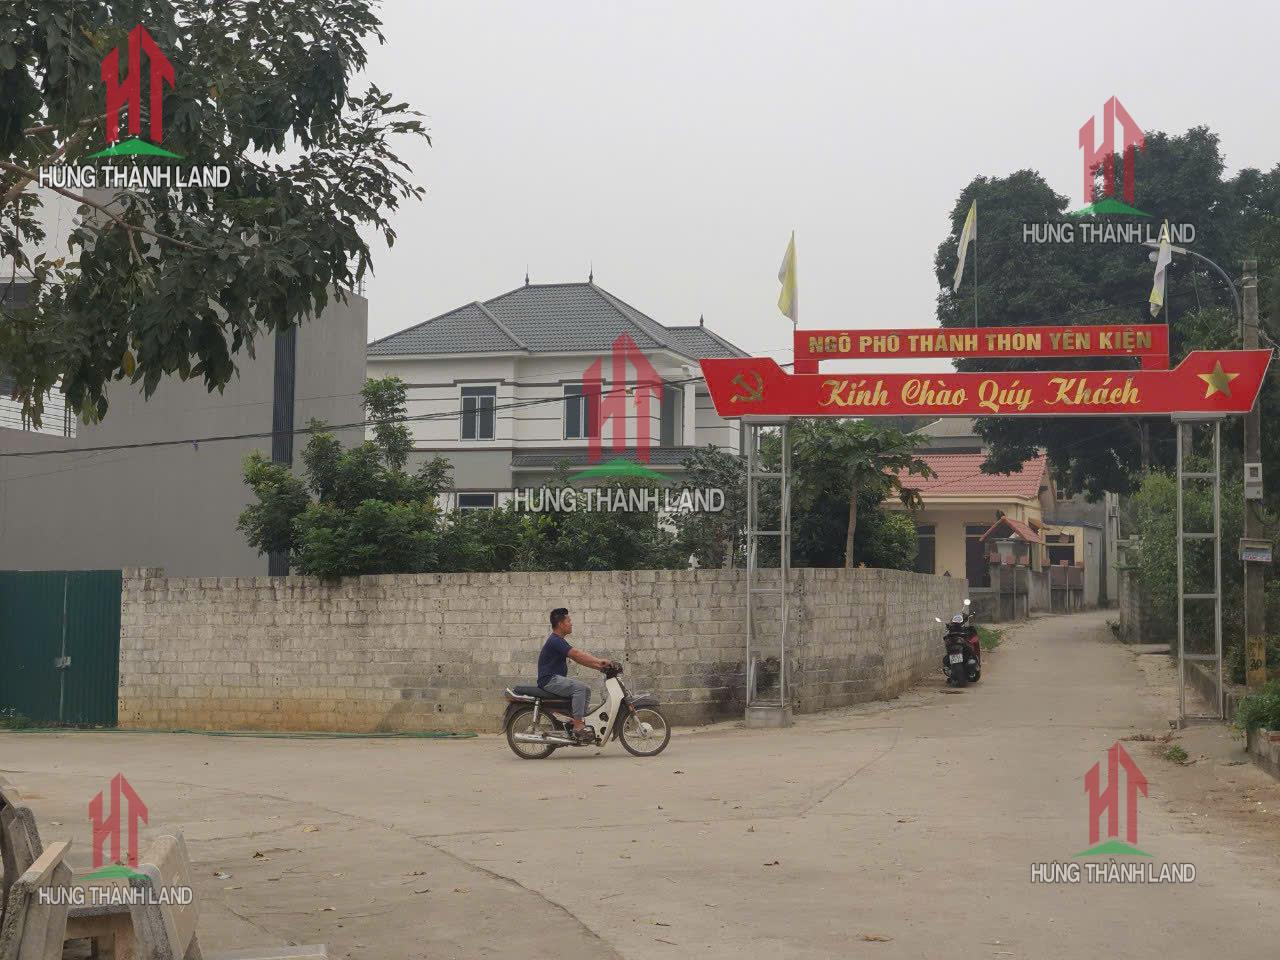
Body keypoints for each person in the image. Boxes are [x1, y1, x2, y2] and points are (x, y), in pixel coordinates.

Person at [538, 608, 614, 742]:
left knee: (586, 689)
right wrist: (599, 661)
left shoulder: (559, 640)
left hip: (554, 679)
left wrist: (599, 667)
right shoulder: (555, 641)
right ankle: (578, 726)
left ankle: (580, 721)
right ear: (561, 624)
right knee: (579, 688)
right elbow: (577, 654)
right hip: (549, 680)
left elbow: (579, 659)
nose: (571, 624)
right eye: (569, 621)